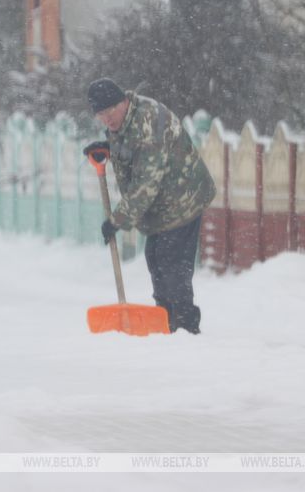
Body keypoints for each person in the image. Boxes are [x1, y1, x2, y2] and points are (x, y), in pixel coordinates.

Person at [83, 78, 216, 334]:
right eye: (101, 115)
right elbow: (130, 148)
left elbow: (147, 183)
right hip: (161, 205)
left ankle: (186, 327)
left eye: (111, 112)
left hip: (183, 199)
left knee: (172, 265)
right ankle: (166, 322)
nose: (108, 120)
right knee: (155, 259)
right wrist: (108, 146)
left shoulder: (149, 122)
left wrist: (116, 220)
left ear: (123, 101)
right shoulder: (125, 120)